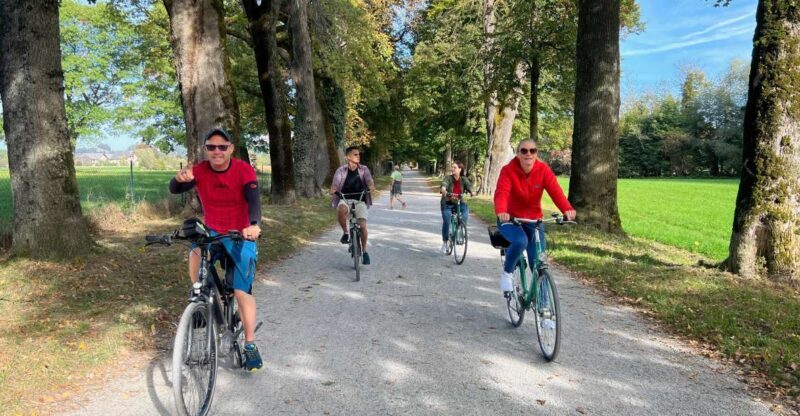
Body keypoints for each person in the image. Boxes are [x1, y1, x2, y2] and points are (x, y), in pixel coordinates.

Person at [169, 128, 264, 372]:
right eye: (211, 147)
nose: (217, 151)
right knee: (195, 253)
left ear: (231, 148)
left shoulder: (243, 169)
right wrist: (178, 180)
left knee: (241, 292)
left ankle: (250, 345)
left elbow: (254, 201)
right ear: (206, 149)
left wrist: (254, 225)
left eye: (222, 147)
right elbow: (174, 189)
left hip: (240, 235)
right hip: (212, 232)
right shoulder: (199, 170)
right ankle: (199, 297)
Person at [494, 139, 576, 294]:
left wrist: (567, 209)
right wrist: (501, 211)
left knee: (537, 263)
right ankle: (507, 273)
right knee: (520, 241)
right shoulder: (508, 170)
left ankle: (545, 312)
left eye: (533, 150)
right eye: (524, 151)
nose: (528, 154)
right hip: (511, 220)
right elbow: (502, 193)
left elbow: (556, 191)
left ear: (537, 153)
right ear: (518, 154)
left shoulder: (543, 170)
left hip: (534, 221)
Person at [330, 146, 376, 265]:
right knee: (341, 210)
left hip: (360, 199)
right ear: (348, 157)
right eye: (355, 154)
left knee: (363, 225)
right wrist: (334, 190)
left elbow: (370, 181)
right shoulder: (341, 170)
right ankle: (346, 233)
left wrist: (370, 187)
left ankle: (365, 251)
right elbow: (334, 185)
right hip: (345, 198)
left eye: (358, 154)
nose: (358, 156)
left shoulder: (364, 169)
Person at [440, 161, 473, 254]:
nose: (452, 169)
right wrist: (444, 191)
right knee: (446, 221)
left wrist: (471, 192)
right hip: (447, 203)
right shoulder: (448, 178)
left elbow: (469, 186)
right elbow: (443, 186)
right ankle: (445, 242)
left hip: (459, 202)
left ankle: (460, 229)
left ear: (460, 169)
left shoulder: (464, 179)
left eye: (454, 167)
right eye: (452, 167)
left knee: (465, 213)